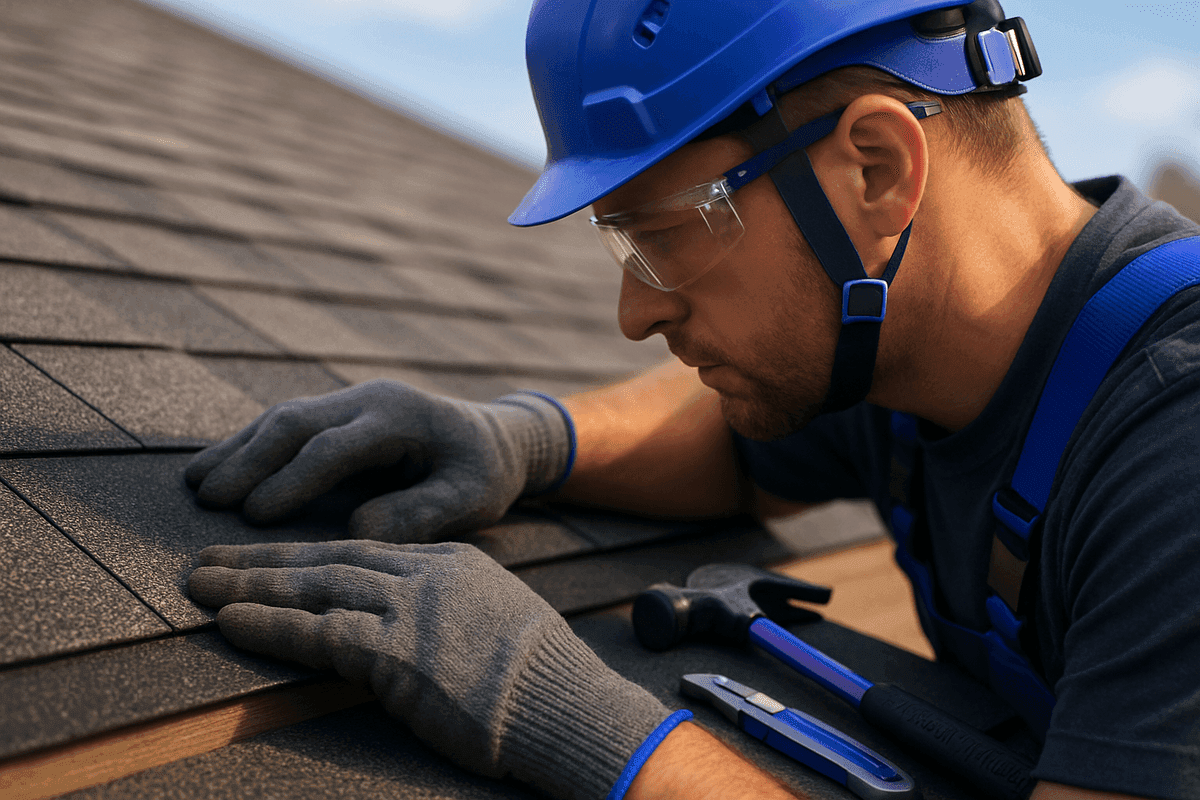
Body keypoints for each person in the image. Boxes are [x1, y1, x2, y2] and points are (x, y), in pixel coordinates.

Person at [184, 2, 1200, 799]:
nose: (636, 313)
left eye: (664, 233)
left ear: (876, 169)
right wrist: (528, 440)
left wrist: (597, 734)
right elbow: (734, 446)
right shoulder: (913, 345)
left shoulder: (1176, 445)